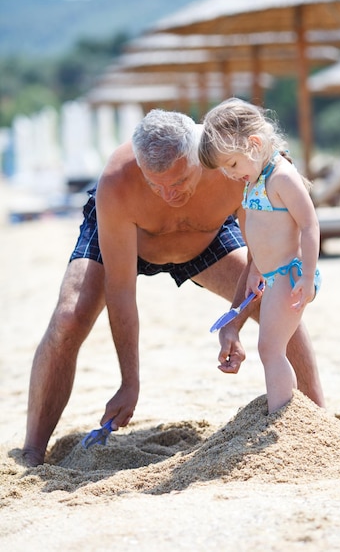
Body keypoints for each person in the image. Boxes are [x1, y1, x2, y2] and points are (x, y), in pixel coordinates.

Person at [22, 107, 324, 467]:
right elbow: (120, 290)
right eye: (155, 185)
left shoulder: (228, 160)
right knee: (70, 316)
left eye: (178, 183)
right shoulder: (118, 180)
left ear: (200, 158)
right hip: (130, 239)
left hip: (204, 237)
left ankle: (317, 424)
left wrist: (235, 320)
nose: (168, 195)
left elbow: (264, 254)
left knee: (276, 301)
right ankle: (32, 450)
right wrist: (128, 382)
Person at [199, 98, 321, 413]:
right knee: (270, 348)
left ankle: (284, 414)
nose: (230, 173)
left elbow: (309, 225)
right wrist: (254, 268)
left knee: (270, 348)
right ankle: (286, 411)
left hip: (288, 275)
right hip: (269, 276)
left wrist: (307, 277)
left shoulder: (281, 177)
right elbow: (258, 232)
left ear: (254, 143)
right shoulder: (255, 180)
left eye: (233, 164)